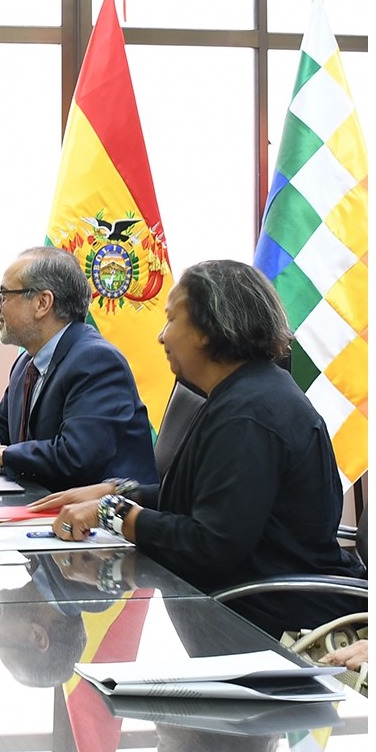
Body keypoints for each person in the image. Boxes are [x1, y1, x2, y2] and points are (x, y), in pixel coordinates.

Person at [35, 259, 366, 637]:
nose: (162, 336)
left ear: (209, 330)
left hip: (267, 621)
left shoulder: (249, 416)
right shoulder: (244, 393)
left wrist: (115, 514)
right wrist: (116, 492)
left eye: (172, 319)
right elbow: (206, 499)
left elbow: (210, 545)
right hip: (239, 600)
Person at [0, 246, 157, 490]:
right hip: (43, 505)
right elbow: (0, 422)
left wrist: (3, 456)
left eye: (4, 295)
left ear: (42, 303)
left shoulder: (97, 361)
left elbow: (76, 456)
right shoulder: (28, 361)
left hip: (98, 518)